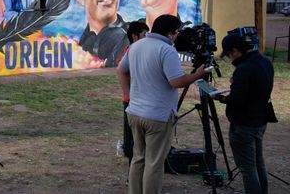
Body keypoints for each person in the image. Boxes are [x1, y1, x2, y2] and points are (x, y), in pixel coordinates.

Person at [117, 15, 207, 194]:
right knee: (154, 163)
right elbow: (176, 82)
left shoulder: (136, 46)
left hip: (135, 112)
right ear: (171, 33)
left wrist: (129, 95)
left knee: (138, 158)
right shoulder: (166, 50)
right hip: (157, 116)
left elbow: (121, 70)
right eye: (177, 32)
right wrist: (198, 74)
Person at [214, 33, 274, 194]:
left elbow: (238, 99)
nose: (229, 58)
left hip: (244, 124)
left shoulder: (244, 69)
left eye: (229, 53)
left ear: (235, 50)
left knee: (248, 168)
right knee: (258, 163)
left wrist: (222, 98)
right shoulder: (265, 61)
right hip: (260, 119)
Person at [119, 21, 149, 164]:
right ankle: (133, 168)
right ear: (135, 36)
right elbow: (122, 72)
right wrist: (129, 96)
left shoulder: (140, 51)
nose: (147, 38)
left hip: (140, 101)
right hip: (132, 102)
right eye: (145, 35)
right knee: (132, 139)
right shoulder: (130, 52)